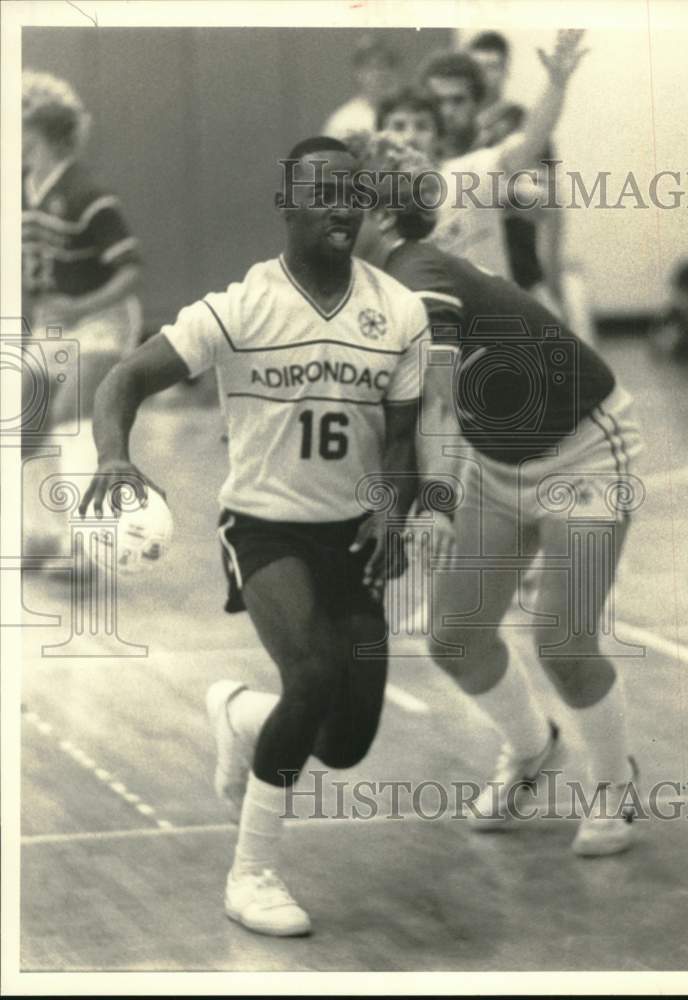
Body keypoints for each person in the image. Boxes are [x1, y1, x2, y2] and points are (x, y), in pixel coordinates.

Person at [79, 137, 429, 936]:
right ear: (287, 205)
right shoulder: (237, 309)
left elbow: (402, 439)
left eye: (354, 192)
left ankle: (239, 715)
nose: (343, 206)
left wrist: (391, 508)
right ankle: (252, 874)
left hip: (351, 535)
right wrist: (112, 455)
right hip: (265, 529)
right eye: (324, 192)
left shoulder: (398, 312)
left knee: (345, 742)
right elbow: (123, 379)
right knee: (312, 672)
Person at [346, 131, 643, 856]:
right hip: (497, 458)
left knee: (562, 641)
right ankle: (533, 748)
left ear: (380, 215)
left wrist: (433, 506)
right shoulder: (369, 285)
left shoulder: (416, 274)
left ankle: (614, 785)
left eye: (340, 199)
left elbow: (439, 405)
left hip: (582, 451)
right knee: (454, 637)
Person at [22, 70, 142, 550]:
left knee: (71, 414)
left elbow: (131, 271)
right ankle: (42, 533)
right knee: (25, 414)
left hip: (100, 318)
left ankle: (88, 540)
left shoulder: (88, 195)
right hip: (55, 322)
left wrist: (79, 306)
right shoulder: (20, 191)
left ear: (42, 138)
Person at [413, 30, 587, 288]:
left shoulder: (490, 154)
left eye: (457, 101)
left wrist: (556, 85)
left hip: (510, 286)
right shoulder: (414, 159)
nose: (447, 111)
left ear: (476, 102)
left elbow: (531, 149)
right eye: (438, 102)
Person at [322, 34, 401, 139]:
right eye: (374, 67)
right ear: (358, 73)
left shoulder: (408, 118)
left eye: (388, 65)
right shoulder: (342, 122)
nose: (382, 73)